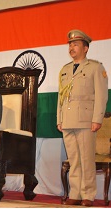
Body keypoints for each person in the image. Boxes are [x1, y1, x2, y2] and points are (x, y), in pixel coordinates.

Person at [57, 29, 108, 207]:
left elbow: (101, 96)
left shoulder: (95, 67)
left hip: (86, 120)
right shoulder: (65, 70)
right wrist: (59, 118)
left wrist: (97, 119)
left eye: (76, 44)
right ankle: (75, 193)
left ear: (85, 48)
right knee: (74, 160)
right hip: (68, 120)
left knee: (86, 160)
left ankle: (88, 195)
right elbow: (61, 98)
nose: (71, 47)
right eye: (70, 44)